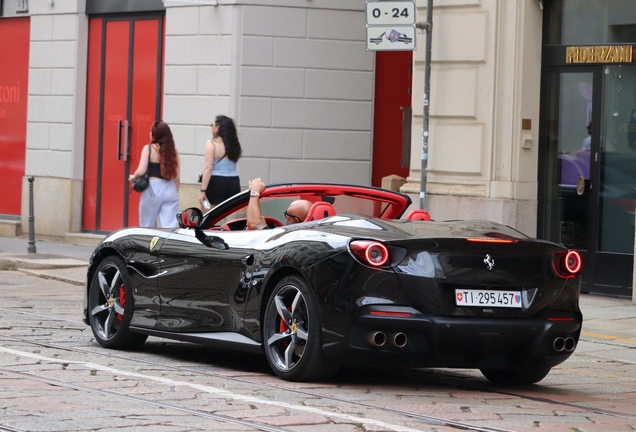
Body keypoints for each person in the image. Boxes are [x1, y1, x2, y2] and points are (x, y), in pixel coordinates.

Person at [129, 121, 180, 228]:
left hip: (152, 189)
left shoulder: (148, 149)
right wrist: (175, 191)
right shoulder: (173, 151)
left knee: (147, 227)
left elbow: (141, 171)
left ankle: (150, 245)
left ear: (154, 135)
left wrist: (133, 177)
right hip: (170, 188)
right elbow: (177, 177)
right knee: (169, 228)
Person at [199, 115, 242, 211]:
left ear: (218, 127)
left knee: (207, 212)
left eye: (212, 125)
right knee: (232, 213)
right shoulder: (234, 144)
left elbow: (208, 168)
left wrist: (203, 190)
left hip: (216, 182)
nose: (211, 127)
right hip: (233, 182)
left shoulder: (211, 144)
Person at [246, 178, 312, 230]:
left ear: (295, 220)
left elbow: (254, 223)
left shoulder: (287, 237)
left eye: (287, 214)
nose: (286, 217)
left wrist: (255, 191)